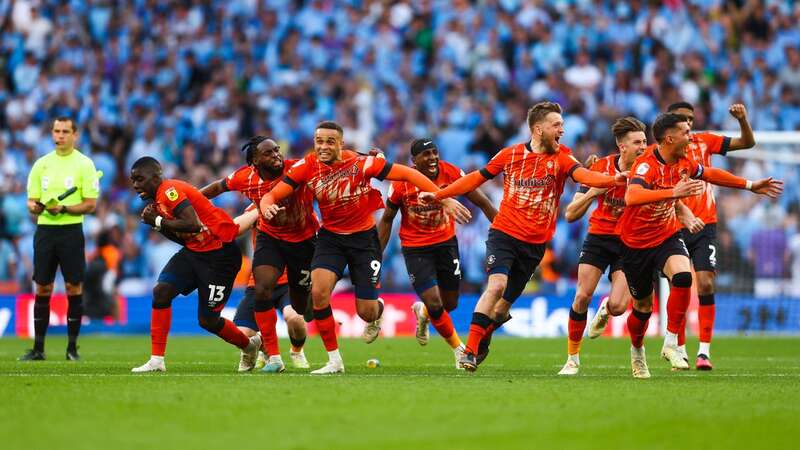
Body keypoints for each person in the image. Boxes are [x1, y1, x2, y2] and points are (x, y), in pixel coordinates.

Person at [420, 101, 626, 372]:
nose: (562, 130)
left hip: (535, 245)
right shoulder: (510, 155)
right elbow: (474, 179)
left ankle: (486, 333)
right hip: (504, 233)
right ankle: (468, 352)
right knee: (495, 287)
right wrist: (438, 194)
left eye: (562, 125)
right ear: (538, 129)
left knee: (501, 309)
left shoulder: (563, 158)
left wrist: (613, 180)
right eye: (557, 125)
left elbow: (584, 175)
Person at [260, 121, 470, 374]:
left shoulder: (362, 164)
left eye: (329, 141)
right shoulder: (308, 165)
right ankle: (334, 361)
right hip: (331, 238)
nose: (323, 146)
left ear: (340, 143)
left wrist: (441, 198)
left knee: (366, 313)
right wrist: (266, 205)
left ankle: (377, 312)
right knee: (318, 293)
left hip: (363, 240)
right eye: (319, 141)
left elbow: (410, 174)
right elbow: (272, 194)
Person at [618, 113, 781, 377]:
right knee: (643, 308)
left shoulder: (684, 160)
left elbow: (711, 174)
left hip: (666, 234)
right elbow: (632, 195)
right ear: (669, 138)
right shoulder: (646, 164)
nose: (690, 136)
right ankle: (637, 350)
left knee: (683, 277)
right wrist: (673, 193)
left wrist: (750, 185)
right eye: (684, 132)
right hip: (635, 242)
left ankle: (671, 342)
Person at [557, 117, 703, 375]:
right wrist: (597, 188)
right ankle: (572, 359)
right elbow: (570, 214)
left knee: (618, 307)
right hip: (600, 238)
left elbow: (668, 195)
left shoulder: (649, 166)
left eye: (645, 141)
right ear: (621, 146)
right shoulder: (600, 167)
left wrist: (685, 214)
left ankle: (606, 310)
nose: (643, 147)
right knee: (581, 296)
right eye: (637, 142)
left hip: (630, 241)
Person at [129, 157, 261, 373]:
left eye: (139, 179)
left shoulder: (169, 190)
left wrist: (159, 222)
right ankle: (156, 360)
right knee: (161, 292)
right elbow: (185, 237)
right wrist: (161, 227)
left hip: (221, 256)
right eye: (133, 180)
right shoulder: (157, 204)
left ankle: (250, 345)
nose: (135, 185)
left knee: (208, 321)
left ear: (156, 177)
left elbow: (192, 224)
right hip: (195, 252)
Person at [377, 138, 498, 368]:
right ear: (414, 161)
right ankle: (458, 349)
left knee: (449, 304)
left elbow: (482, 201)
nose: (432, 157)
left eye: (435, 153)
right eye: (426, 154)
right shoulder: (401, 183)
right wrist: (375, 255)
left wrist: (504, 228)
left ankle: (421, 311)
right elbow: (387, 219)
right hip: (415, 248)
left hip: (446, 244)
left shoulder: (451, 172)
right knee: (434, 302)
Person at [202, 136, 318, 373]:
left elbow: (331, 163)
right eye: (269, 152)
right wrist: (189, 198)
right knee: (244, 332)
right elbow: (220, 190)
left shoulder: (296, 169)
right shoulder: (249, 189)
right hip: (265, 268)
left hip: (301, 250)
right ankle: (271, 354)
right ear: (254, 160)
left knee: (299, 316)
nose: (276, 155)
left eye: (277, 150)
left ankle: (297, 349)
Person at [665, 101, 756, 370]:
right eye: (682, 119)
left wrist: (742, 119)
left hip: (705, 225)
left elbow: (747, 143)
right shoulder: (662, 152)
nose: (689, 124)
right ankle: (678, 349)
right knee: (678, 287)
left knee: (705, 283)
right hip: (674, 225)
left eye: (691, 119)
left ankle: (703, 351)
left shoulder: (705, 142)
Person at [21, 117, 99, 361]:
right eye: (56, 130)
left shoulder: (84, 165)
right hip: (45, 232)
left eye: (65, 131)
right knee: (43, 287)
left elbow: (90, 204)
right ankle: (38, 349)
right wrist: (36, 207)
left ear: (75, 135)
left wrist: (64, 210)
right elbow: (31, 200)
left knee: (72, 286)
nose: (60, 135)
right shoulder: (41, 165)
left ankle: (72, 349)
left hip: (71, 231)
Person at [230, 205, 309, 372]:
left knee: (294, 317)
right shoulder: (253, 207)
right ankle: (264, 349)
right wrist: (261, 209)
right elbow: (234, 228)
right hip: (258, 282)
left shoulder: (297, 203)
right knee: (241, 334)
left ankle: (297, 351)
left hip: (289, 280)